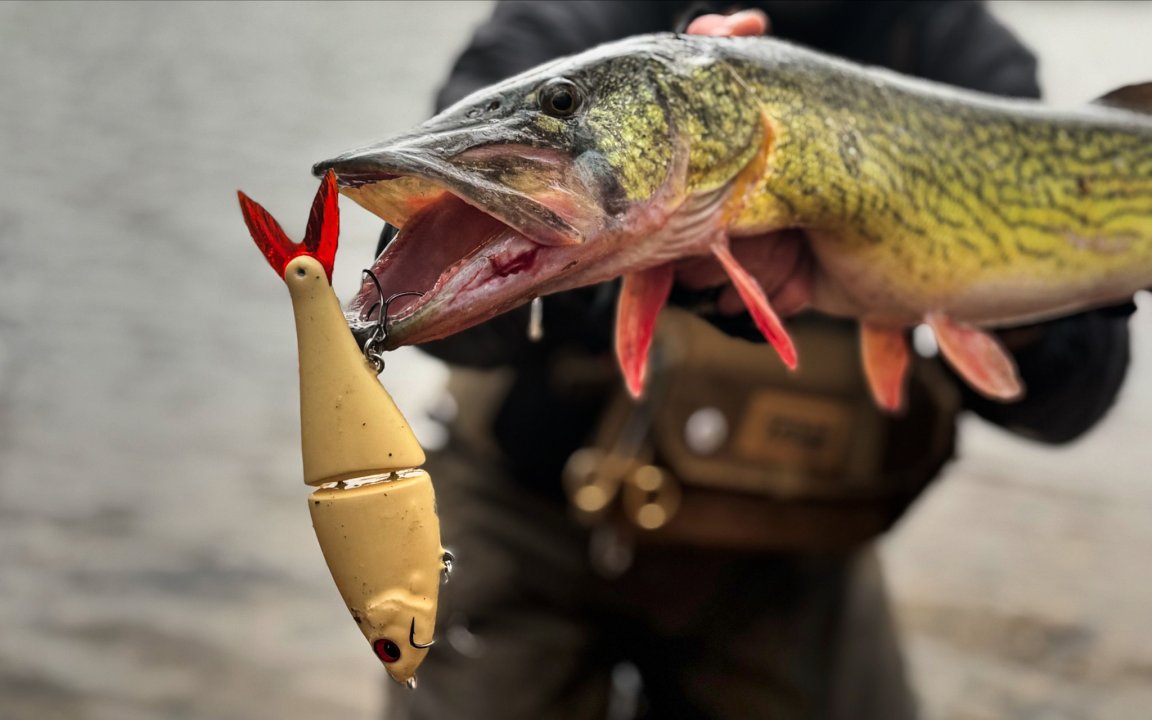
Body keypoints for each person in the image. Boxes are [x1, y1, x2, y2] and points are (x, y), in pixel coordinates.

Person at [382, 3, 1133, 719]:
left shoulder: (955, 44)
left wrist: (986, 289)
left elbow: (1074, 396)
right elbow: (423, 297)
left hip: (789, 546)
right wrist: (636, 263)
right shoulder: (584, 22)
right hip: (530, 508)